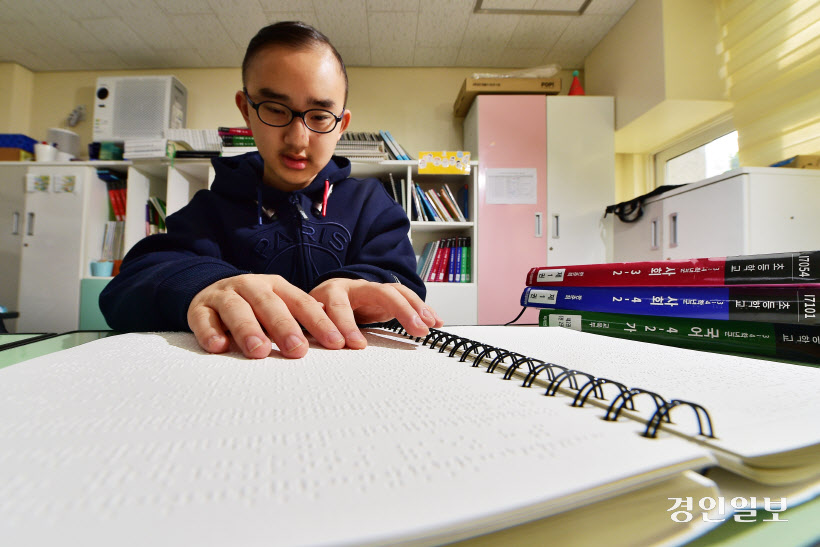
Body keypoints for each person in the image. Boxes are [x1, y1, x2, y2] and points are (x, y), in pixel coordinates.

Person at [99, 21, 443, 359]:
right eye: (276, 110)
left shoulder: (372, 205)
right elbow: (126, 290)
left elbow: (404, 285)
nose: (297, 139)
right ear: (246, 111)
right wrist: (204, 285)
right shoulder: (210, 211)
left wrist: (359, 283)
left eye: (321, 116)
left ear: (342, 125)